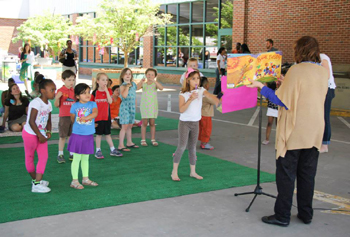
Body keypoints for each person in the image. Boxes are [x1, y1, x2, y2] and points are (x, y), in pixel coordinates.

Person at [248, 36, 328, 226]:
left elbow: (281, 100)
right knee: (307, 175)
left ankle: (282, 216)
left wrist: (261, 87)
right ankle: (306, 214)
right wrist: (286, 82)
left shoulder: (296, 70)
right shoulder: (322, 72)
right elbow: (305, 94)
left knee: (286, 175)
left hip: (295, 131)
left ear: (299, 51)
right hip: (315, 130)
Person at [171, 68, 220, 181]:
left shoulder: (201, 90)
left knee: (192, 148)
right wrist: (190, 99)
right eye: (193, 79)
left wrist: (217, 99)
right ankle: (174, 172)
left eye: (198, 78)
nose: (196, 81)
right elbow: (181, 109)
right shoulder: (183, 93)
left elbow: (209, 95)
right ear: (187, 80)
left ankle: (193, 172)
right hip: (184, 123)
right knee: (182, 146)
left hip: (195, 123)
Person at [22, 78, 56, 193]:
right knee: (30, 157)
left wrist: (48, 131)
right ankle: (35, 183)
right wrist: (39, 135)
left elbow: (49, 120)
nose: (54, 92)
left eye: (54, 90)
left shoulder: (49, 105)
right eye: (52, 90)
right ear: (43, 91)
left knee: (43, 157)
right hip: (30, 134)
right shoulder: (36, 103)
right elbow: (31, 121)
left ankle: (37, 181)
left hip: (41, 134)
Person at [68, 83, 99, 189]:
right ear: (77, 96)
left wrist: (86, 118)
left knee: (86, 158)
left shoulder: (93, 104)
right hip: (77, 135)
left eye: (88, 92)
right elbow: (72, 118)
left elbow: (95, 114)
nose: (87, 95)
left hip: (88, 135)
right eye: (83, 93)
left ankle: (85, 179)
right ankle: (74, 181)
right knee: (76, 158)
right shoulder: (74, 106)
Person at [91, 73, 123, 159]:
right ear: (98, 81)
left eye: (106, 80)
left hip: (106, 117)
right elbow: (90, 105)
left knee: (108, 134)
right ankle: (98, 150)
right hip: (97, 118)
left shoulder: (108, 91)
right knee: (99, 135)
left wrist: (105, 91)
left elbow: (110, 101)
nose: (105, 82)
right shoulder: (94, 93)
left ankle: (112, 149)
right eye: (103, 80)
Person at [54, 70, 76, 163]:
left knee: (71, 136)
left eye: (73, 80)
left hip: (73, 116)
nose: (71, 82)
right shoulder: (60, 90)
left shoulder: (73, 91)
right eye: (69, 80)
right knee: (63, 136)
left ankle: (71, 153)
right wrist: (57, 97)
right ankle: (60, 154)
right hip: (64, 116)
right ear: (63, 80)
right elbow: (56, 105)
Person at [138, 68, 164, 147]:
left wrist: (155, 81)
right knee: (144, 123)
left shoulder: (155, 84)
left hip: (152, 106)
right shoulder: (144, 84)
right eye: (148, 74)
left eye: (152, 75)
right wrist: (141, 81)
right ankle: (143, 139)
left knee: (152, 123)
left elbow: (161, 88)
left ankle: (153, 139)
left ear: (155, 76)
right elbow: (137, 88)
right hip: (145, 106)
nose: (150, 76)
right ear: (146, 75)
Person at [118, 68, 140, 152]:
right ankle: (120, 144)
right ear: (122, 76)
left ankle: (129, 142)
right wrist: (127, 86)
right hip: (125, 108)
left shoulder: (133, 84)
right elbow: (124, 96)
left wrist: (142, 81)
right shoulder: (122, 86)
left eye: (129, 74)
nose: (128, 75)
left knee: (130, 125)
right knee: (124, 126)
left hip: (132, 107)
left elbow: (135, 91)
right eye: (126, 74)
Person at [198, 77, 221, 150]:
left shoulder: (200, 93)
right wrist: (222, 94)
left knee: (202, 129)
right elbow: (215, 100)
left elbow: (213, 97)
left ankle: (203, 141)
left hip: (200, 114)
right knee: (206, 129)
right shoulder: (206, 96)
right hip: (206, 115)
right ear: (206, 85)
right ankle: (204, 143)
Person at [320, 53, 336, 153]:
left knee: (324, 116)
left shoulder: (322, 57)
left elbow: (327, 74)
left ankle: (325, 144)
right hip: (319, 89)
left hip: (327, 89)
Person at [262, 81, 279, 145]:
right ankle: (267, 139)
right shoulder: (270, 91)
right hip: (271, 108)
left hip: (278, 109)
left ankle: (279, 140)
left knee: (278, 125)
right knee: (269, 123)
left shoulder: (279, 90)